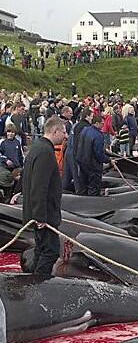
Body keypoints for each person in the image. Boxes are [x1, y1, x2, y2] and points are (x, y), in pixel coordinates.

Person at [22, 116, 66, 278]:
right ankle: (39, 284)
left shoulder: (37, 147)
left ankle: (34, 279)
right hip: (44, 215)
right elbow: (39, 186)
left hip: (40, 213)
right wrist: (40, 216)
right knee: (50, 251)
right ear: (55, 131)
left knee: (41, 249)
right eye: (63, 131)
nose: (65, 135)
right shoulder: (46, 152)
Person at [76, 115, 115, 196]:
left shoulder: (85, 130)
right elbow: (99, 154)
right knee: (94, 188)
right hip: (93, 166)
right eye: (102, 123)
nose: (103, 125)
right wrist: (109, 160)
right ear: (97, 123)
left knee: (83, 188)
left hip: (82, 163)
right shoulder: (98, 135)